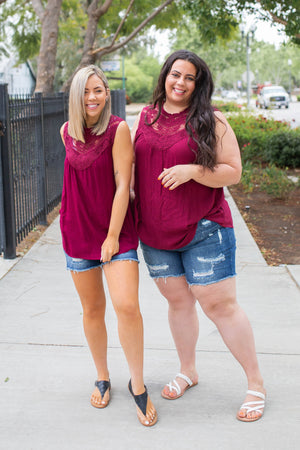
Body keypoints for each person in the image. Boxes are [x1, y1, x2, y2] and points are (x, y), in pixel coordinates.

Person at [131, 50, 265, 422]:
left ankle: (255, 383)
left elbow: (233, 171)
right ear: (164, 76)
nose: (180, 82)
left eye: (189, 78)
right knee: (178, 303)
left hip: (204, 227)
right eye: (175, 75)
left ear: (198, 83)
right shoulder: (146, 116)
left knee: (219, 306)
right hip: (155, 233)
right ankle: (188, 369)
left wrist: (193, 170)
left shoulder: (211, 119)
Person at [59, 65, 157, 427]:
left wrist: (113, 236)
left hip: (116, 231)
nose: (93, 98)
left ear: (107, 93)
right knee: (92, 310)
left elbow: (122, 185)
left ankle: (138, 383)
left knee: (127, 306)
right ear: (76, 95)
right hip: (77, 231)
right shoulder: (66, 130)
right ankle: (102, 376)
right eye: (86, 91)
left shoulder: (118, 130)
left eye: (99, 90)